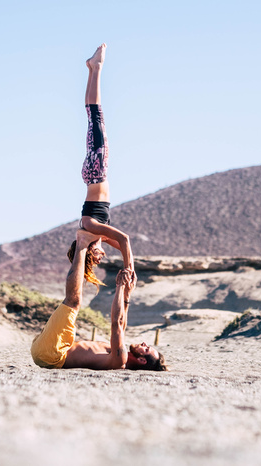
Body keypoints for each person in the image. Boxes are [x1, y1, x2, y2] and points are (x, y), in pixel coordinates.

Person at [32, 229, 167, 371]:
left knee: (74, 301)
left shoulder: (119, 360)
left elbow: (116, 324)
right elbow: (122, 323)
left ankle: (82, 244)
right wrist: (127, 294)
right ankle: (87, 245)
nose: (145, 344)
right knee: (74, 301)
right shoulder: (120, 352)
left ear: (141, 360)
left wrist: (120, 286)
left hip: (53, 354)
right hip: (52, 350)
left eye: (146, 349)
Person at [67, 43, 133, 289]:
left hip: (96, 172)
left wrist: (129, 269)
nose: (102, 257)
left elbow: (124, 239)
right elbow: (125, 242)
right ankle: (93, 69)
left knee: (95, 116)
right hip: (95, 173)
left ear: (90, 252)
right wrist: (128, 267)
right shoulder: (97, 232)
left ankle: (96, 68)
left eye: (96, 259)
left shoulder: (91, 226)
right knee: (94, 117)